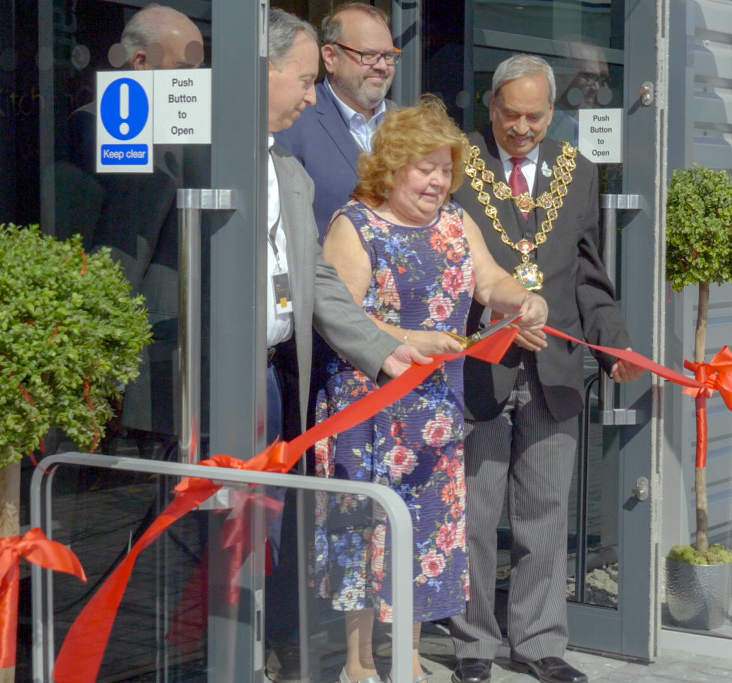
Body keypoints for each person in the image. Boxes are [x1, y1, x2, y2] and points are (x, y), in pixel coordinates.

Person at [313, 96, 549, 683]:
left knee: (422, 538)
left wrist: (523, 300)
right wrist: (412, 335)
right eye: (426, 168)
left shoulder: (455, 221)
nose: (439, 181)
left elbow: (489, 279)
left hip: (432, 413)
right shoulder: (355, 224)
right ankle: (360, 666)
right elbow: (342, 318)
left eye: (446, 169)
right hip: (369, 410)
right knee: (365, 536)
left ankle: (410, 660)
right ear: (392, 167)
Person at [449, 55, 644, 683]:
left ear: (552, 112)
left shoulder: (577, 170)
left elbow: (590, 271)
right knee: (475, 518)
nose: (523, 127)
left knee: (544, 516)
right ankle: (474, 646)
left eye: (536, 115)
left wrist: (612, 343)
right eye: (511, 114)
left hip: (555, 369)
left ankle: (537, 642)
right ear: (491, 107)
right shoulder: (455, 163)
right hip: (479, 366)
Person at [262, 11, 427, 680]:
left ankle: (275, 647)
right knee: (223, 519)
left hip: (297, 372)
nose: (307, 99)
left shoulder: (284, 170)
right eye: (302, 81)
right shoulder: (247, 151)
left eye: (391, 55)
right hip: (253, 368)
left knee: (275, 522)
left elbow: (314, 279)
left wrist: (385, 348)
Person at [61, 5, 206, 453]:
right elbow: (124, 246)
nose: (194, 84)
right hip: (146, 351)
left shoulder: (183, 128)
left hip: (180, 339)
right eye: (184, 70)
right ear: (140, 62)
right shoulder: (112, 123)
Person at [274, 2, 399, 238]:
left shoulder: (412, 126)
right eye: (369, 55)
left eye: (388, 56)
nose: (382, 66)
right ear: (331, 58)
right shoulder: (293, 124)